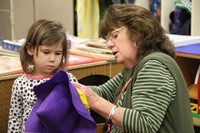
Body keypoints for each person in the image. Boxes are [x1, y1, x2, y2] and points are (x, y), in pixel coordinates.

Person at [72, 4, 194, 133]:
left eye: (114, 36)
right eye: (107, 39)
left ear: (137, 33)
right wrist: (73, 90)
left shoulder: (154, 67)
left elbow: (144, 124)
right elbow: (105, 93)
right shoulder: (134, 68)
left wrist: (95, 101)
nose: (109, 44)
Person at [8, 19, 77, 132]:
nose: (52, 59)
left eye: (58, 53)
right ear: (30, 49)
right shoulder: (20, 84)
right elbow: (14, 120)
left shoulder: (68, 80)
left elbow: (80, 113)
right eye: (46, 52)